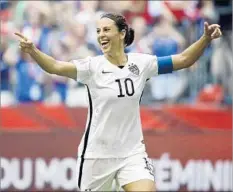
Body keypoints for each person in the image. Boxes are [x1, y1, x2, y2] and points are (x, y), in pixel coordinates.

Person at [14, 12, 222, 191]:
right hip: (97, 156)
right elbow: (55, 67)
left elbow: (184, 59)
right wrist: (33, 51)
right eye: (98, 31)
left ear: (122, 34)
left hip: (132, 153)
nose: (101, 35)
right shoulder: (91, 67)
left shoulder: (143, 63)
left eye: (106, 30)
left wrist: (205, 39)